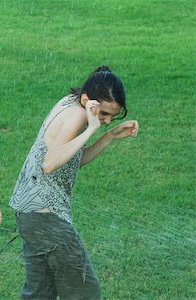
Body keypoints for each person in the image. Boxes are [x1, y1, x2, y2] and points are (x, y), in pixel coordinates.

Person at [10, 65, 139, 299]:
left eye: (111, 116)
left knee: (39, 293)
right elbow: (49, 163)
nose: (107, 121)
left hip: (27, 214)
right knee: (85, 292)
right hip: (46, 218)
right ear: (87, 100)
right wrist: (91, 128)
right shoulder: (78, 116)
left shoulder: (70, 102)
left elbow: (71, 159)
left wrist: (109, 136)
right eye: (103, 114)